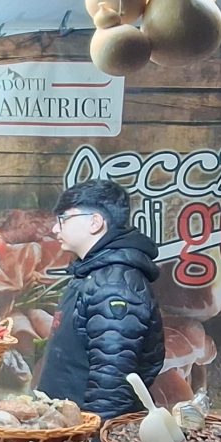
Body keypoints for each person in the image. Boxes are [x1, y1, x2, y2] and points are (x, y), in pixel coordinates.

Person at [36, 180, 164, 427]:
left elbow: (112, 381)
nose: (54, 228)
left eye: (63, 219)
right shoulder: (92, 274)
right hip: (69, 427)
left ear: (95, 222)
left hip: (85, 432)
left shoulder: (115, 284)